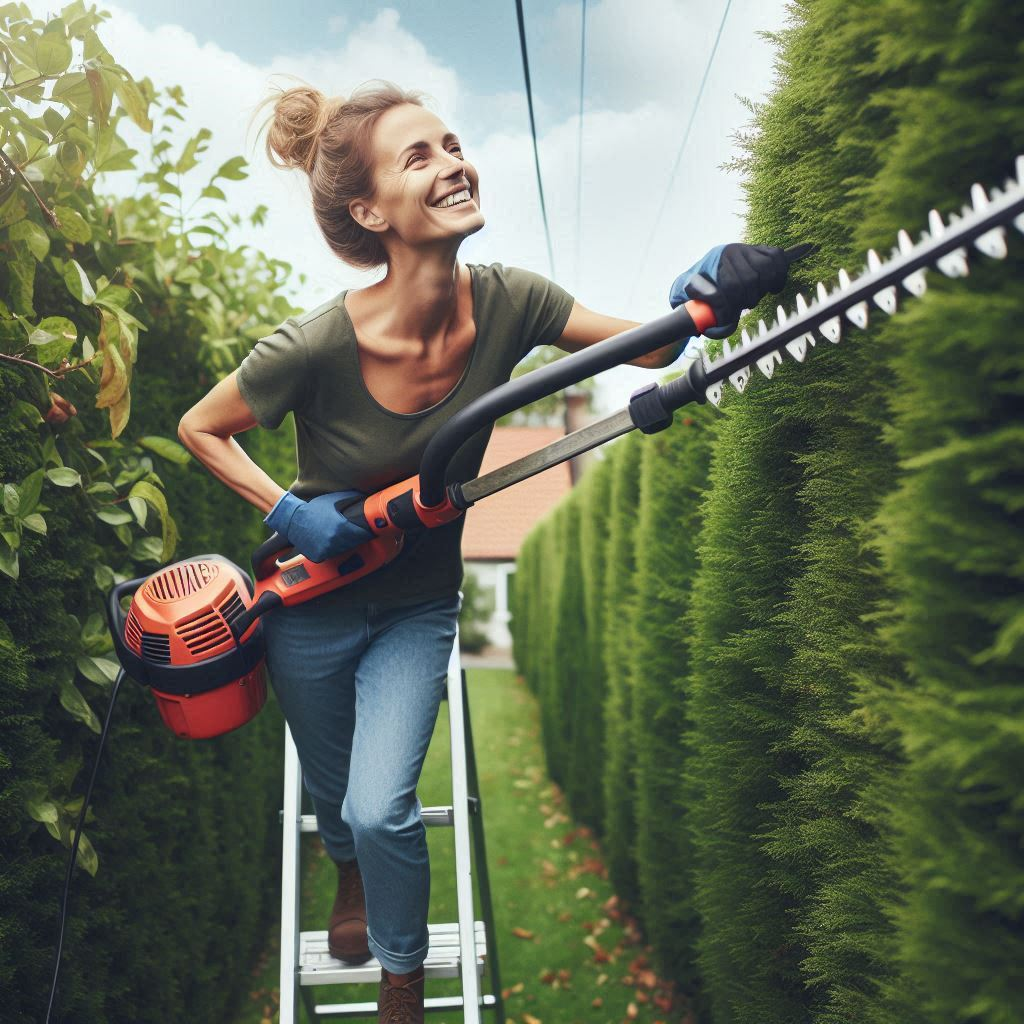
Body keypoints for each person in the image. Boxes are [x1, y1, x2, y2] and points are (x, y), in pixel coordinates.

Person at [176, 77, 796, 1023]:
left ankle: (400, 977)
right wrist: (290, 514)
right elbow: (200, 428)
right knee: (343, 808)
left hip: (416, 606)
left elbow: (649, 351)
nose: (453, 162)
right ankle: (350, 880)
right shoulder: (308, 346)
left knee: (383, 806)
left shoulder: (514, 302)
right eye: (418, 155)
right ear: (369, 209)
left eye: (453, 144)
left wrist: (699, 291)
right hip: (309, 605)